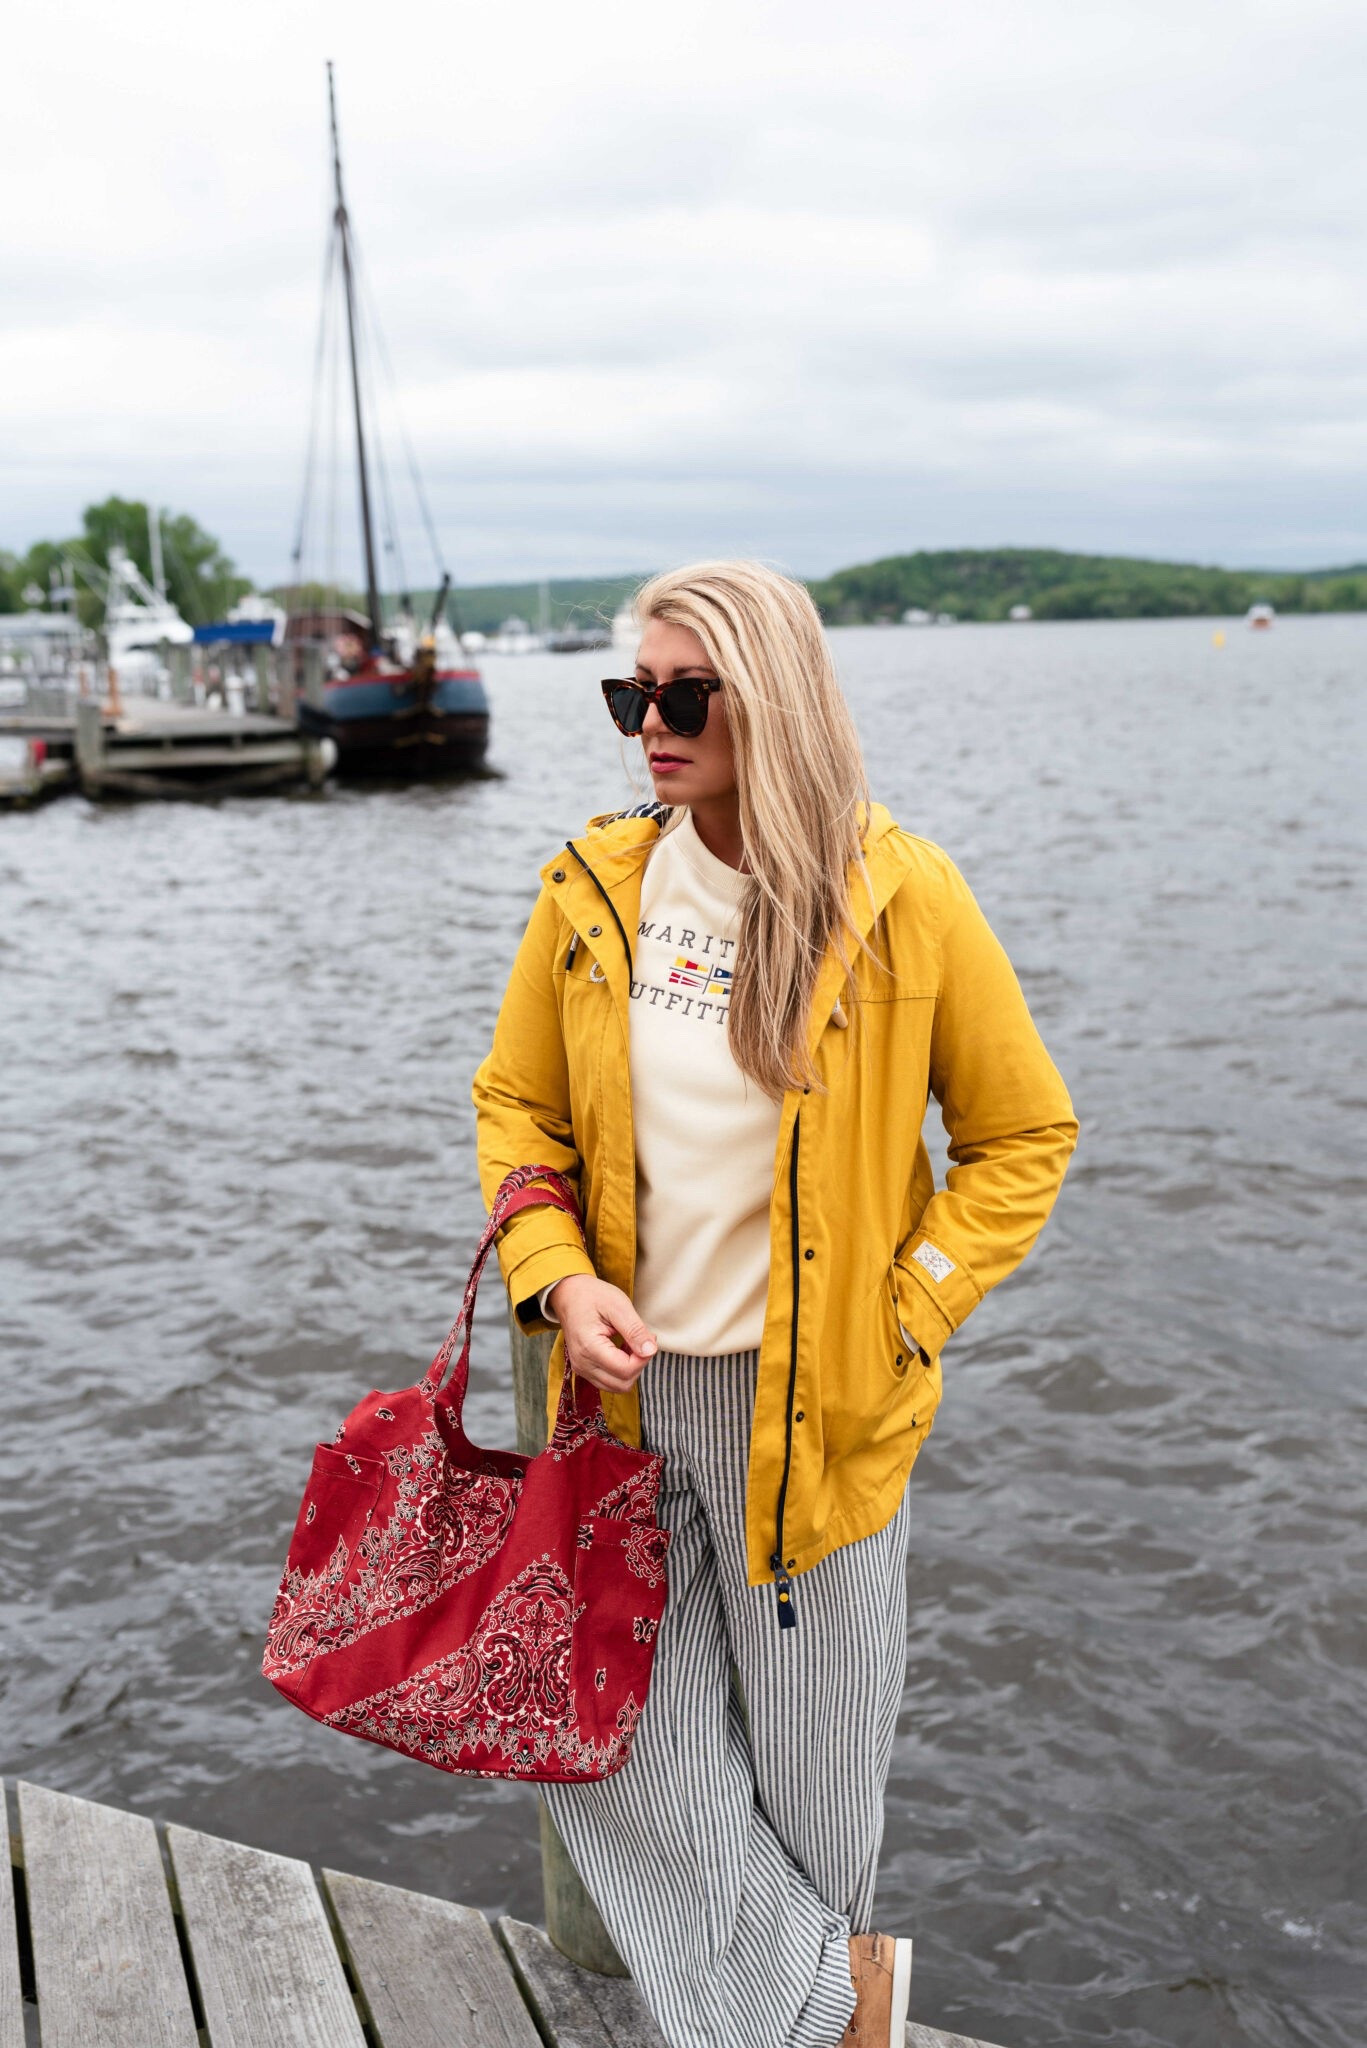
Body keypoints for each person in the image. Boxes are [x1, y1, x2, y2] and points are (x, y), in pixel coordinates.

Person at [473, 560, 1077, 2048]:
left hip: (819, 1418)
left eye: (685, 696)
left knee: (813, 1812)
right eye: (634, 696)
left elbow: (1024, 1137)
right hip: (619, 1404)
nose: (651, 728)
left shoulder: (902, 895)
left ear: (777, 699)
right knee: (602, 1750)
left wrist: (910, 1309)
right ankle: (837, 2020)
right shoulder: (595, 888)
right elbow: (517, 1109)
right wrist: (559, 1278)